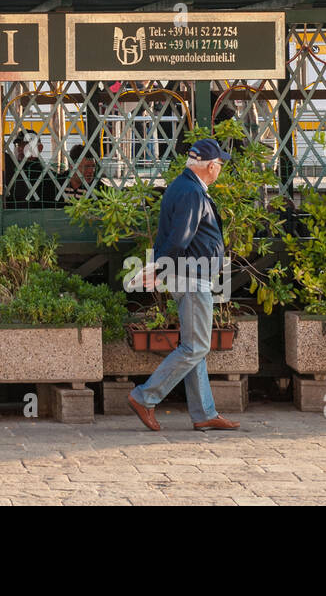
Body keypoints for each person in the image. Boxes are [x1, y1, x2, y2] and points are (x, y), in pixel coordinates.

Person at [127, 138, 240, 433]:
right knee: (196, 346)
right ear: (211, 166)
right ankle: (145, 397)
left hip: (186, 274)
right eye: (219, 165)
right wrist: (159, 268)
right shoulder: (192, 192)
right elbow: (180, 238)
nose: (220, 170)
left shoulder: (182, 186)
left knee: (194, 346)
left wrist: (159, 268)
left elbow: (176, 237)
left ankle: (204, 413)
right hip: (191, 276)